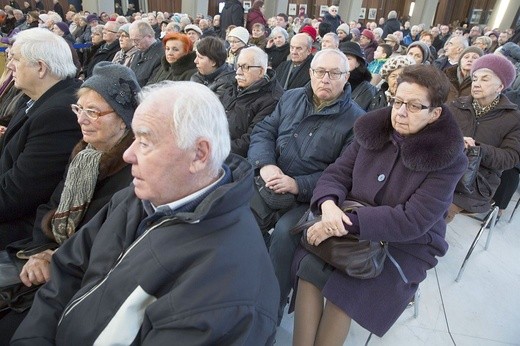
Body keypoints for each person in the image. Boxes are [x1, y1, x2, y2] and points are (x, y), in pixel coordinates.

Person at [11, 81, 280, 345]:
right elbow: (68, 269)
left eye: (144, 142)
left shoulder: (228, 287)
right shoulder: (138, 198)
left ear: (199, 154)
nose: (128, 154)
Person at [292, 64, 467, 344]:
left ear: (434, 114)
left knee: (345, 293)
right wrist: (327, 207)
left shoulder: (449, 157)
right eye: (397, 101)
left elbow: (414, 220)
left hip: (406, 243)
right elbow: (337, 174)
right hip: (345, 217)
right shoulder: (373, 129)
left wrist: (340, 225)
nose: (399, 111)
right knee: (308, 269)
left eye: (413, 106)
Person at [0, 62, 139, 341]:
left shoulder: (132, 172)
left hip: (79, 281)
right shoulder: (84, 156)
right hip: (44, 258)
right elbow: (50, 207)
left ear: (124, 119)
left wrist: (56, 259)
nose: (82, 120)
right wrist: (41, 250)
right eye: (79, 109)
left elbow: (107, 243)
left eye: (93, 112)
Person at [248, 49, 365, 324]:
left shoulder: (356, 120)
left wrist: (297, 184)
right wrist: (265, 164)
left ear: (346, 76)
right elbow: (264, 131)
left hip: (310, 197)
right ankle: (235, 289)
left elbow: (343, 173)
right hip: (271, 179)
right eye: (319, 72)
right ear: (310, 73)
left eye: (334, 73)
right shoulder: (290, 98)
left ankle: (269, 309)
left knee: (285, 238)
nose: (325, 79)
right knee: (239, 218)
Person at [0, 28, 82, 248]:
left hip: (23, 228)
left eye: (15, 58)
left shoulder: (58, 114)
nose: (9, 65)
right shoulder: (33, 100)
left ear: (40, 67)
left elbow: (17, 195)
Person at [446, 54, 520, 222]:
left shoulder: (513, 118)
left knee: (440, 209)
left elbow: (511, 158)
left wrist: (477, 149)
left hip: (476, 184)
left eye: (485, 79)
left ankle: (421, 245)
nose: (477, 84)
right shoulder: (457, 106)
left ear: (500, 85)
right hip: (444, 169)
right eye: (475, 78)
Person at [220, 46, 284, 157]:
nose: (238, 72)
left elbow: (250, 141)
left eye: (245, 67)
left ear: (261, 71)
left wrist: (216, 149)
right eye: (238, 66)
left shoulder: (272, 99)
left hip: (231, 155)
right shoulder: (232, 86)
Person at [341, 42, 385, 111]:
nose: (343, 62)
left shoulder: (368, 90)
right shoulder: (330, 82)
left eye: (348, 59)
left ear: (358, 63)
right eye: (341, 58)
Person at [129, 20, 164, 86]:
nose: (134, 44)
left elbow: (152, 85)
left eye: (137, 40)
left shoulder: (161, 55)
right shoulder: (138, 52)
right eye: (132, 40)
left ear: (149, 36)